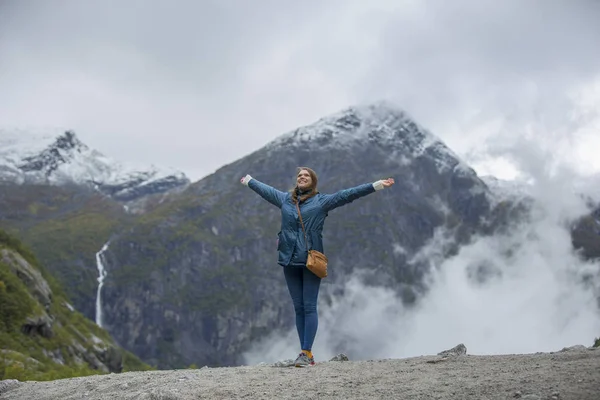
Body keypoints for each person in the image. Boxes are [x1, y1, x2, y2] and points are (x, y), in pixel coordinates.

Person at [240, 167, 394, 367]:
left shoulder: (322, 201)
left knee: (309, 306)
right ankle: (304, 353)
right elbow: (266, 190)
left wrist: (376, 185)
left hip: (311, 260)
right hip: (288, 259)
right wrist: (249, 181)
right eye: (299, 176)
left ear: (313, 182)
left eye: (306, 176)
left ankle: (306, 352)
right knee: (298, 308)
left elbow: (348, 194)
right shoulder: (286, 200)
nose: (302, 177)